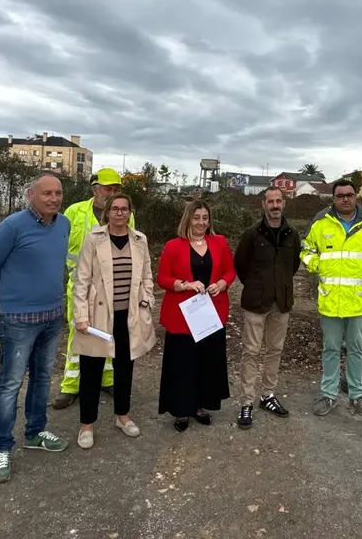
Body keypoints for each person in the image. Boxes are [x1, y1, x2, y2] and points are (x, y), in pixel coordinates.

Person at [0, 173, 71, 484]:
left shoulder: (63, 225)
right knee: (10, 383)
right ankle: (1, 447)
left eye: (58, 193)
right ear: (31, 195)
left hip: (52, 316)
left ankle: (35, 431)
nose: (54, 199)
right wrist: (3, 300)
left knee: (43, 377)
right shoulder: (12, 226)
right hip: (18, 319)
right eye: (47, 193)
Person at [301, 178, 362, 418]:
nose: (345, 199)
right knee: (330, 349)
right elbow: (306, 249)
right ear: (333, 199)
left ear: (356, 197)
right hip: (331, 300)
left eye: (350, 195)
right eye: (340, 195)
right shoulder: (321, 224)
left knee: (356, 349)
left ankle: (357, 395)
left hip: (359, 300)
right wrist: (317, 266)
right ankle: (329, 395)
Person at [69, 193, 157, 449]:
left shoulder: (140, 240)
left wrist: (147, 298)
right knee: (91, 370)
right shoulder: (93, 239)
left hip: (127, 315)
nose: (119, 213)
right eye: (115, 209)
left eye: (124, 209)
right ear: (107, 212)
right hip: (98, 316)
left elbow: (148, 274)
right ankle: (87, 425)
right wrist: (81, 316)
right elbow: (82, 279)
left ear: (130, 212)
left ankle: (122, 415)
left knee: (124, 368)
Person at [53, 168, 134, 410]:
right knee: (78, 334)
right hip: (80, 287)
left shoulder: (125, 215)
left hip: (112, 289)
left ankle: (107, 379)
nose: (112, 193)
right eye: (108, 188)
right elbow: (60, 246)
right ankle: (71, 385)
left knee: (109, 333)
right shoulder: (74, 212)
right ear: (95, 188)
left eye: (117, 189)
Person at [156, 200, 235, 431]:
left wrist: (221, 283)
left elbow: (230, 271)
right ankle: (181, 409)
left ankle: (201, 405)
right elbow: (162, 278)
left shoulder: (219, 243)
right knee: (182, 363)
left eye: (205, 217)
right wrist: (184, 285)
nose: (201, 222)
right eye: (197, 217)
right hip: (182, 316)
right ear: (188, 219)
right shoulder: (173, 246)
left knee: (207, 362)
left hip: (211, 314)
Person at [233, 187, 302, 429]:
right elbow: (240, 264)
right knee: (250, 351)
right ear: (263, 204)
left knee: (275, 349)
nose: (275, 205)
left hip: (281, 302)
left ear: (284, 204)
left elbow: (293, 265)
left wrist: (278, 286)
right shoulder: (252, 234)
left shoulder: (292, 234)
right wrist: (256, 286)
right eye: (270, 201)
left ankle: (268, 396)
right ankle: (246, 402)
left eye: (278, 201)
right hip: (255, 302)